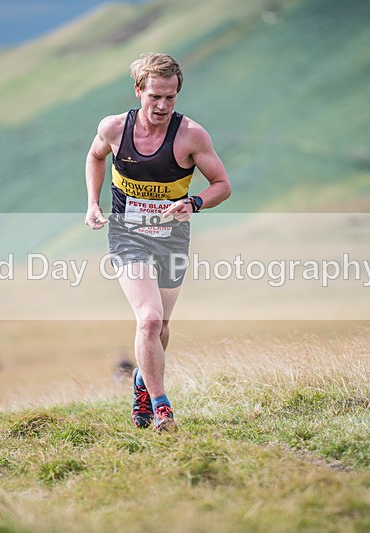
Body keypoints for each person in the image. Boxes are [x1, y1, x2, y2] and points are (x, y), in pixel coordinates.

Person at [84, 53, 231, 432]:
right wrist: (92, 203)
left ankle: (141, 383)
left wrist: (194, 202)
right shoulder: (115, 128)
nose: (162, 105)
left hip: (172, 239)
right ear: (138, 91)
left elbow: (222, 186)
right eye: (155, 97)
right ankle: (160, 406)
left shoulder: (192, 136)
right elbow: (95, 156)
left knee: (161, 327)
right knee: (148, 320)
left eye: (170, 97)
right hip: (126, 235)